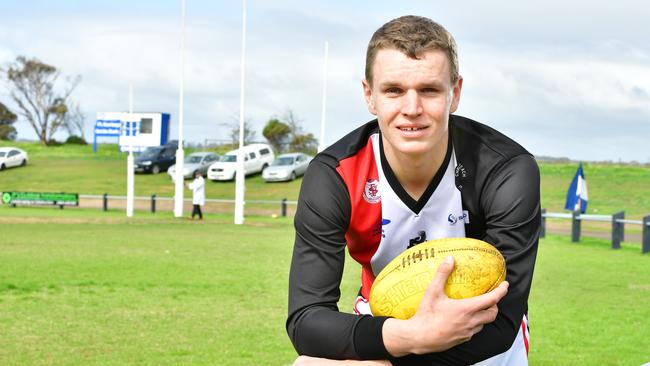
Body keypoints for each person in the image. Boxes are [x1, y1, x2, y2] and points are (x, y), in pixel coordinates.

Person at [286, 15, 540, 366]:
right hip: (388, 333)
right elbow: (307, 321)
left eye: (429, 90)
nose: (412, 109)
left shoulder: (505, 169)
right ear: (369, 95)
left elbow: (504, 323)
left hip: (481, 346)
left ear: (455, 93)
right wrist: (411, 337)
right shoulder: (336, 175)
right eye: (393, 90)